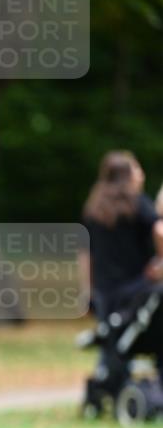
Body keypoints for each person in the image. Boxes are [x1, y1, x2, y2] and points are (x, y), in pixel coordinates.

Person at [80, 149, 163, 377]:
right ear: (126, 174)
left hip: (105, 291)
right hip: (138, 288)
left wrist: (87, 292)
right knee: (134, 332)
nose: (141, 174)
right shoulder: (137, 203)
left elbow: (85, 255)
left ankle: (107, 380)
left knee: (112, 337)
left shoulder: (93, 208)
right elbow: (160, 230)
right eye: (137, 168)